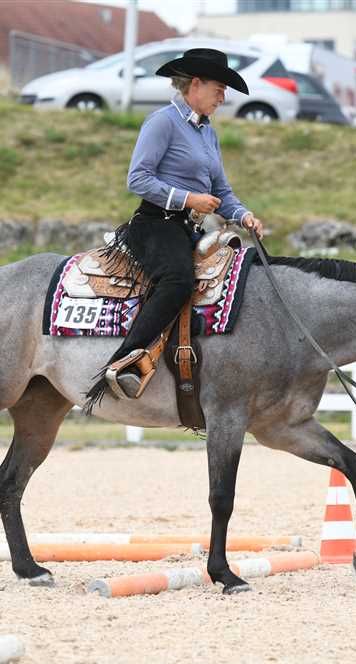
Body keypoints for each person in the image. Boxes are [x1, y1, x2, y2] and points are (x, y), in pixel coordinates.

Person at [85, 48, 265, 405]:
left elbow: (222, 192)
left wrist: (244, 216)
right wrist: (189, 199)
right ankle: (124, 362)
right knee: (178, 280)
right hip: (155, 224)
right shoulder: (162, 122)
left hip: (189, 228)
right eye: (219, 88)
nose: (223, 96)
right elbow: (138, 178)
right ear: (195, 84)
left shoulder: (208, 133)